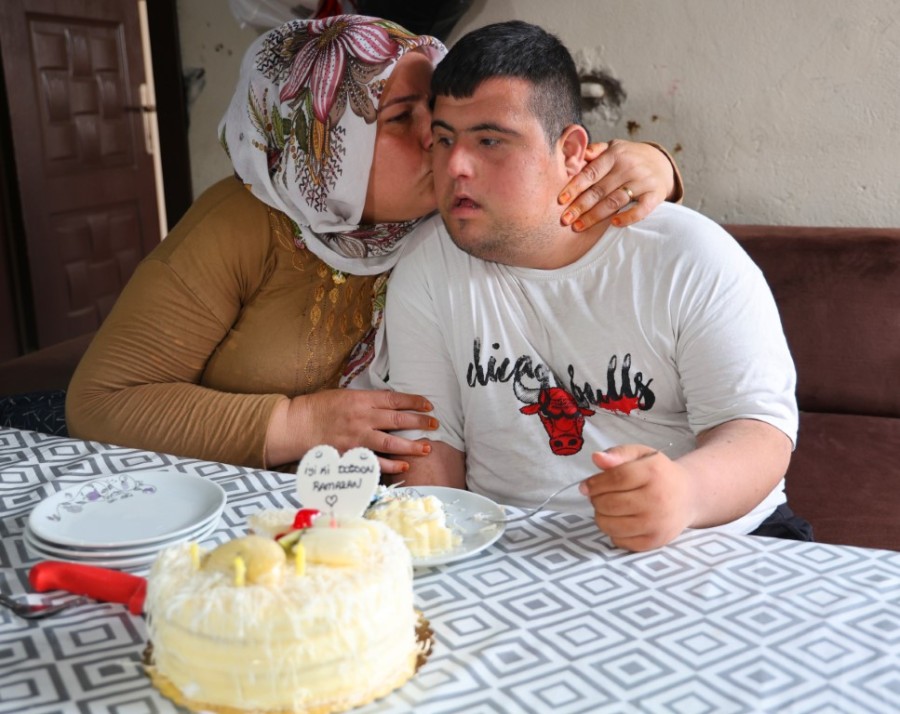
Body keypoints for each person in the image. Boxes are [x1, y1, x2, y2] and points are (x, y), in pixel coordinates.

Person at [63, 15, 682, 475]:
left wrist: (657, 169)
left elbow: (560, 174)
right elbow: (99, 404)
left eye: (438, 114)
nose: (442, 141)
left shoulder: (458, 203)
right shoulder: (239, 226)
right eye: (401, 118)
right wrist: (298, 423)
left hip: (403, 511)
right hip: (237, 505)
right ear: (325, 144)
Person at [372, 20, 811, 551]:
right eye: (445, 140)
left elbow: (758, 432)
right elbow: (432, 452)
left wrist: (683, 494)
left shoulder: (687, 254)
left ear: (571, 150)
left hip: (714, 540)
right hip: (510, 548)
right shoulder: (426, 267)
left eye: (490, 141)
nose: (457, 166)